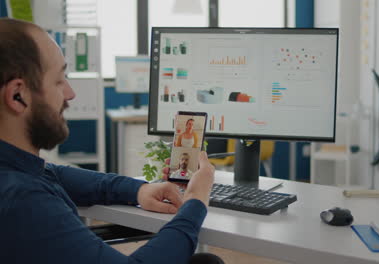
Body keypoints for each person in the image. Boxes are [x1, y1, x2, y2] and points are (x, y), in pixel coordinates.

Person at [0, 18, 223, 264]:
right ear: (17, 95)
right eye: (59, 81)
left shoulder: (17, 171)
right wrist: (195, 201)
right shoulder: (23, 200)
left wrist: (138, 190)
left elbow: (54, 174)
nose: (70, 93)